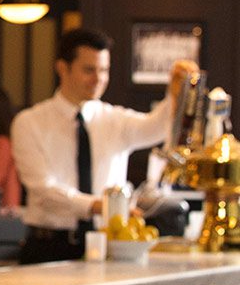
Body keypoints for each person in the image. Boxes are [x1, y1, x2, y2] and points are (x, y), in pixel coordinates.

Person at [11, 28, 195, 264]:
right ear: (62, 68)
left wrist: (175, 93)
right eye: (89, 70)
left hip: (107, 244)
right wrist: (100, 206)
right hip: (49, 246)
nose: (98, 79)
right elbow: (43, 190)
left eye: (104, 70)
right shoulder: (29, 122)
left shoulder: (114, 120)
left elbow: (156, 128)